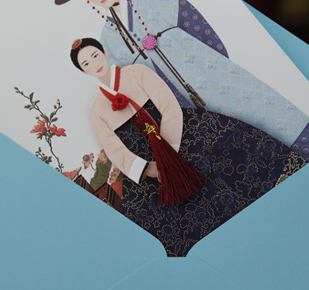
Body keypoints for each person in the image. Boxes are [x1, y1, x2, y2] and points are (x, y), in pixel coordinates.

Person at [56, 0, 309, 160]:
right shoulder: (107, 40)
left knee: (259, 112)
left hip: (210, 74)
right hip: (174, 104)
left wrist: (217, 66)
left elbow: (202, 31)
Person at [70, 37, 306, 257]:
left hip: (179, 136)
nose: (94, 64)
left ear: (104, 52)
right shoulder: (97, 109)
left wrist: (170, 152)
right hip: (147, 163)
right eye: (86, 63)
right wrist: (148, 168)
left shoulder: (137, 73)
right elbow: (114, 148)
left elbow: (168, 105)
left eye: (95, 55)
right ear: (82, 71)